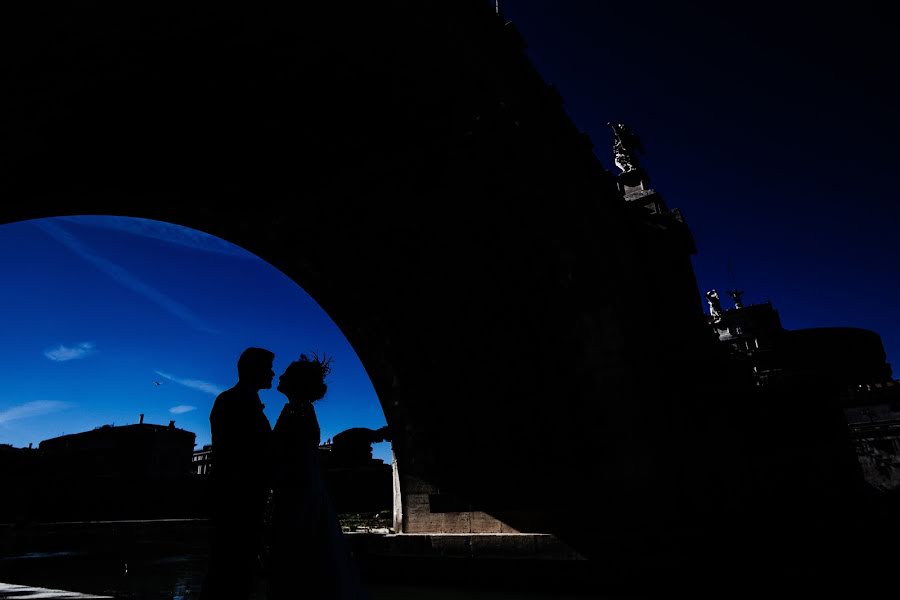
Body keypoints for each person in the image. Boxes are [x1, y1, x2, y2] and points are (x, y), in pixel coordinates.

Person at [267, 353, 369, 600]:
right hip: (305, 493)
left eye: (286, 373)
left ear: (297, 383)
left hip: (297, 496)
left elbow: (290, 457)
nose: (279, 375)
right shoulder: (300, 410)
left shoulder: (297, 412)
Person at [200, 347, 275, 600]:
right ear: (253, 370)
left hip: (242, 500)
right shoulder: (231, 402)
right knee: (229, 571)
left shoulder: (238, 401)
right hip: (237, 500)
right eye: (267, 368)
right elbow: (237, 454)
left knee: (234, 573)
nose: (272, 373)